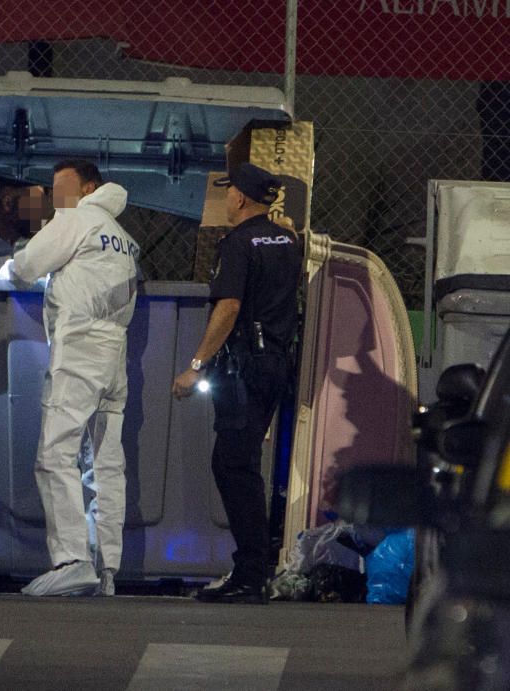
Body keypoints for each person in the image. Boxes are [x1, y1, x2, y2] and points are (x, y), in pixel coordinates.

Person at [0, 160, 139, 597]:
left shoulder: (75, 220)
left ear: (88, 188)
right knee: (105, 463)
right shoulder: (125, 238)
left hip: (79, 348)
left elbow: (25, 266)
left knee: (56, 454)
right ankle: (106, 567)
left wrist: (14, 265)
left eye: (63, 188)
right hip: (116, 355)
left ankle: (71, 560)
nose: (56, 197)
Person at [172, 162, 302, 605]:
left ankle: (251, 574)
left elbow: (228, 308)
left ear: (242, 198)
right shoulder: (287, 238)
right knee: (241, 464)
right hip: (275, 363)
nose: (225, 199)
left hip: (244, 367)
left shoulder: (239, 243)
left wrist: (195, 365)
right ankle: (252, 567)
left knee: (233, 466)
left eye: (229, 193)